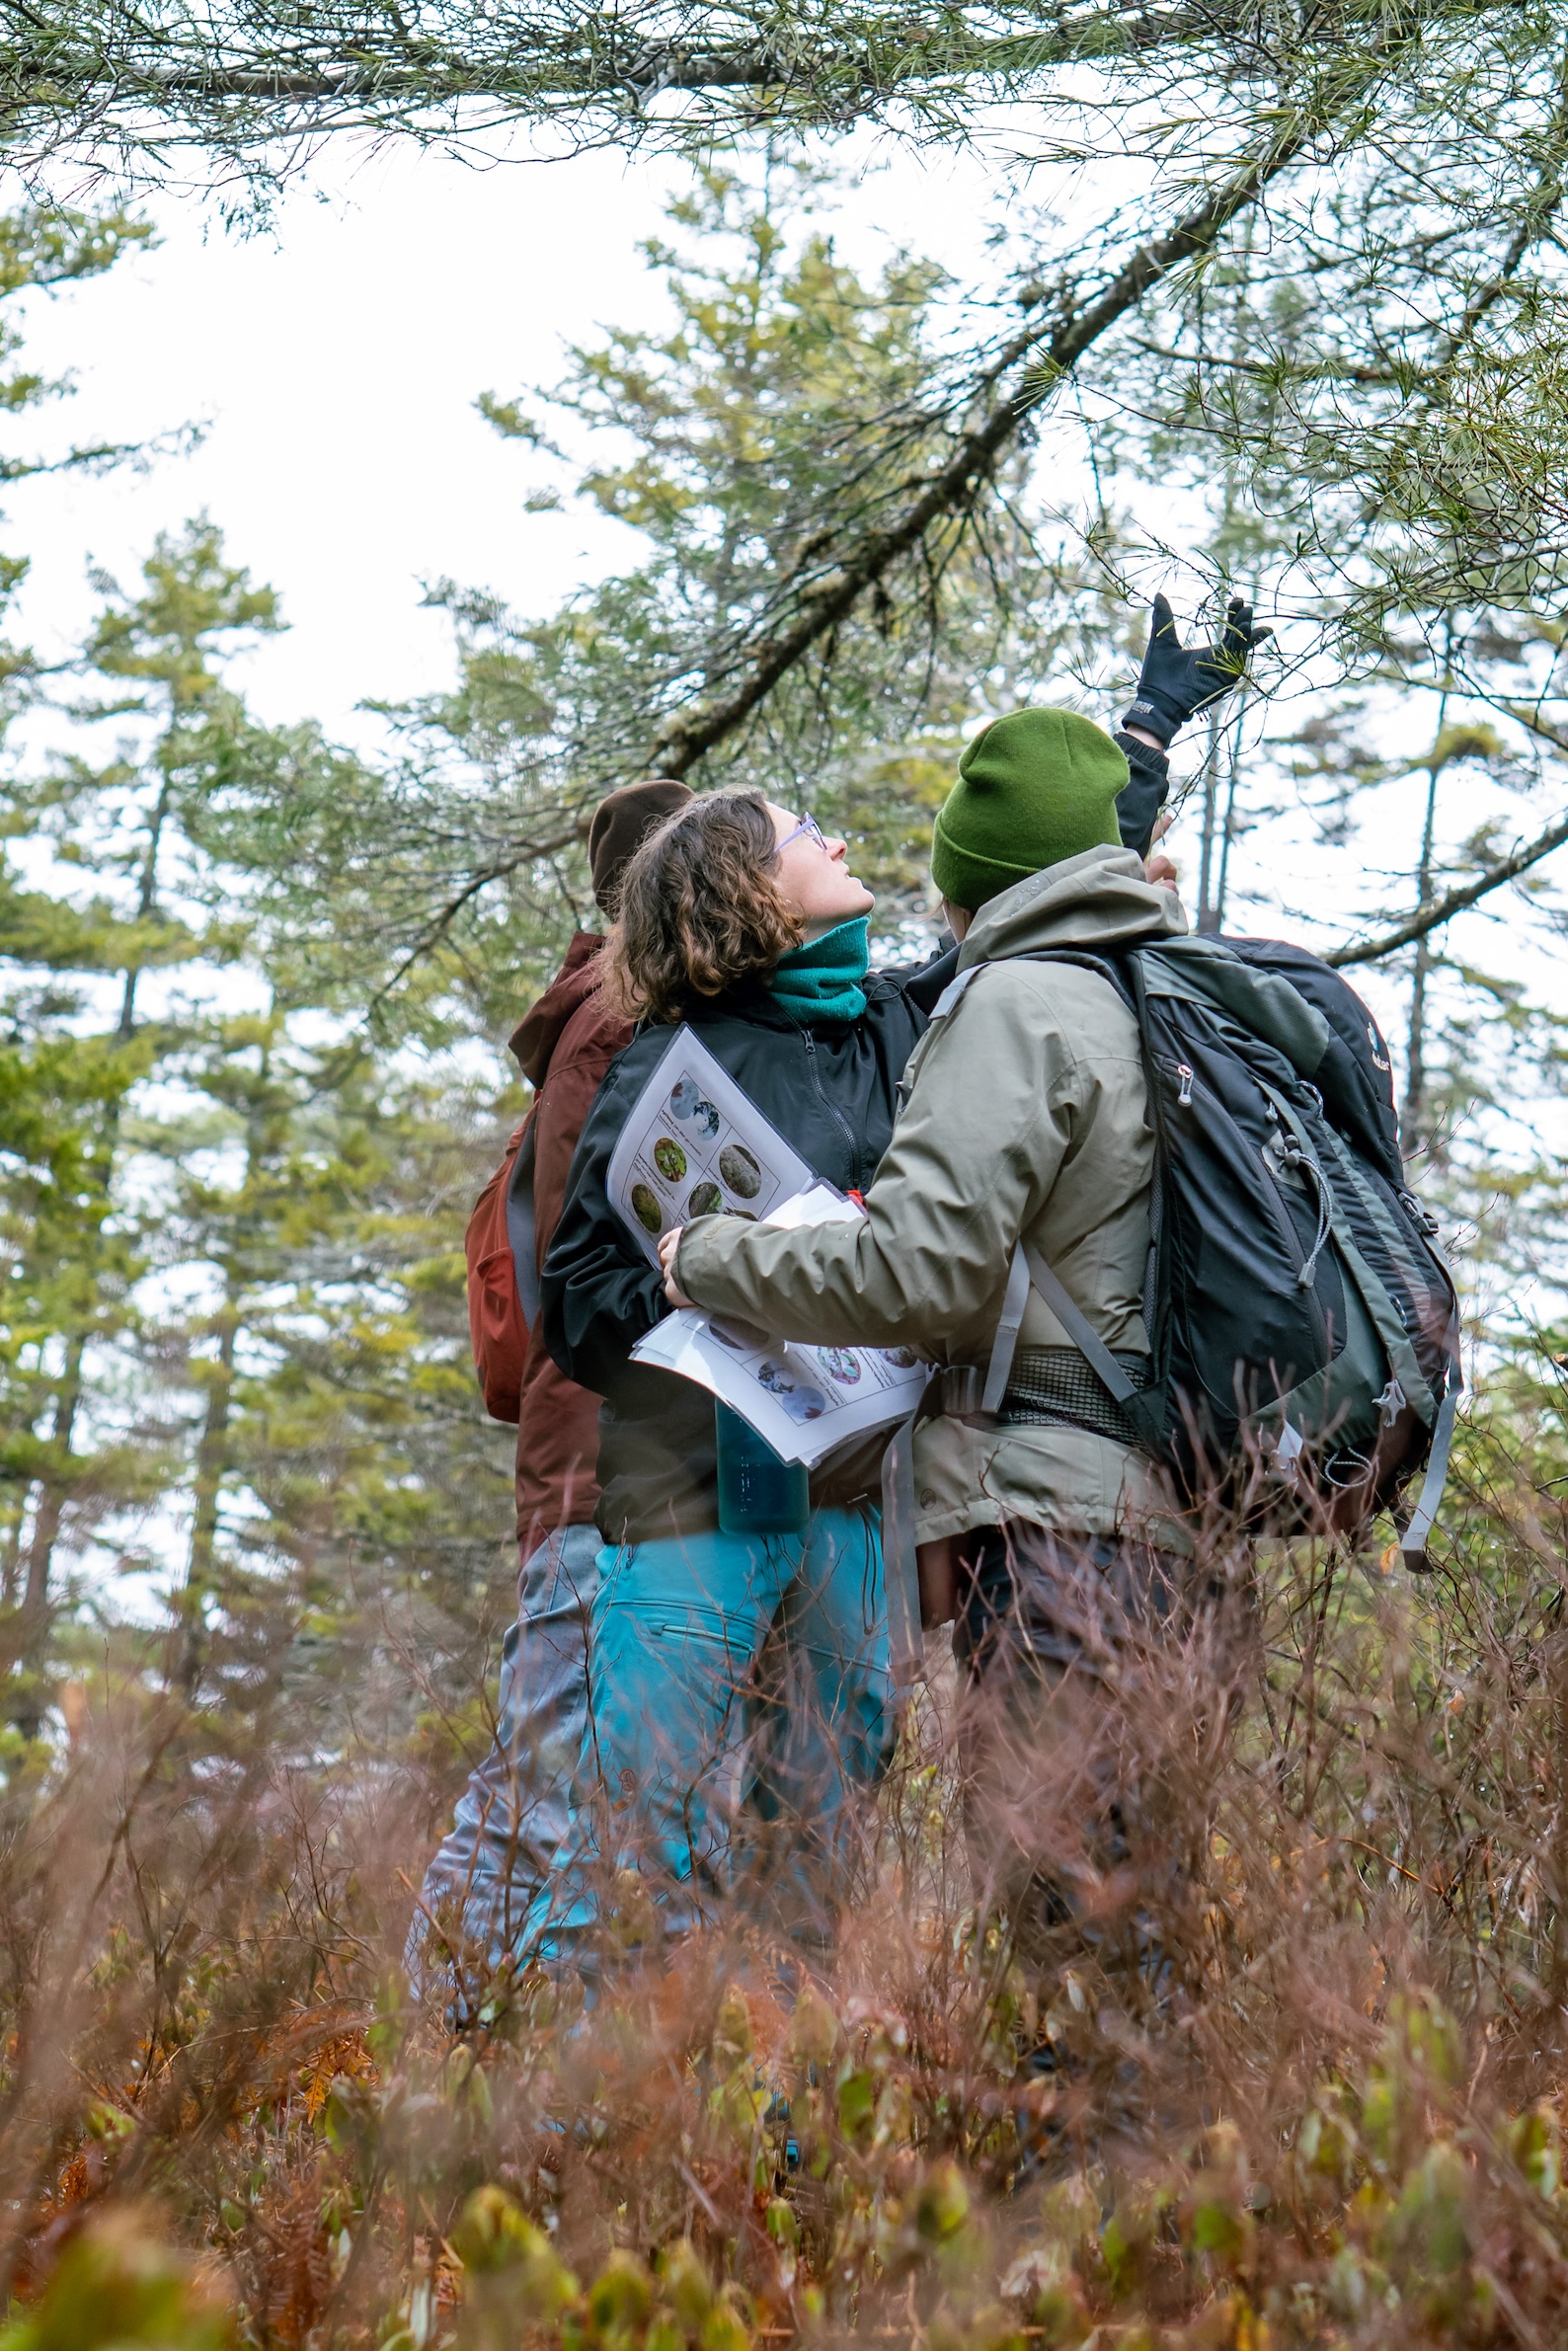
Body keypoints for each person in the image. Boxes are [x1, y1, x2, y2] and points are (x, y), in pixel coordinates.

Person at [661, 599, 1265, 2029]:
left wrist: (716, 1258)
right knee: (1140, 1932)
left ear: (972, 878)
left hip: (1054, 1546)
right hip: (1172, 1532)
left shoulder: (1015, 1005)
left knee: (1066, 1944)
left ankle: (1078, 2228)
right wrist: (1145, 735)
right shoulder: (1157, 987)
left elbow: (922, 1282)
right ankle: (1176, 2228)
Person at [514, 789, 955, 1983]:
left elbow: (1030, 887)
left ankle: (778, 2152)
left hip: (850, 1504)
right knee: (628, 1846)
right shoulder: (668, 1062)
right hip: (688, 1500)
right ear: (746, 888)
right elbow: (576, 1301)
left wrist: (1143, 742)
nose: (841, 839)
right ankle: (564, 2150)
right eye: (810, 830)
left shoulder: (898, 1025)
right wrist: (695, 1284)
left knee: (816, 1853)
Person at [411, 777, 692, 1983]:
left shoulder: (616, 1017)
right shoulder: (621, 1022)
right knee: (535, 1785)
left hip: (596, 1455)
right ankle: (417, 2063)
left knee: (553, 1775)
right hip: (592, 1461)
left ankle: (459, 2049)